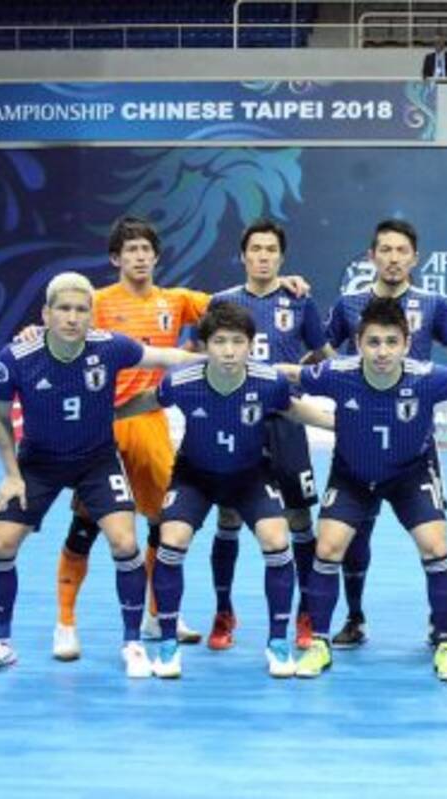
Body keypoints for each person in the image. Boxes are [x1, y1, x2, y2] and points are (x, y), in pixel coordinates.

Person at [48, 216, 311, 659]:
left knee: (160, 523)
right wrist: (35, 331)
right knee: (87, 523)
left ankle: (157, 615)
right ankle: (65, 623)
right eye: (130, 250)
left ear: (156, 257)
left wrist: (277, 282)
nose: (139, 258)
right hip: (104, 422)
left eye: (146, 250)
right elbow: (60, 323)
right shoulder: (95, 302)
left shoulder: (178, 300)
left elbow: (238, 304)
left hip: (150, 423)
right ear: (115, 258)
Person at [0, 272, 202, 678]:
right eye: (64, 309)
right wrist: (11, 476)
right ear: (46, 314)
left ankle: (132, 644)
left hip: (97, 460)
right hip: (38, 463)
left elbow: (169, 358)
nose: (72, 317)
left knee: (124, 541)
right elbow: (1, 420)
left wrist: (221, 359)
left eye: (81, 310)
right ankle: (1, 644)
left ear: (92, 316)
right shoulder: (15, 358)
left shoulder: (110, 347)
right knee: (1, 544)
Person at [286, 297, 447, 681]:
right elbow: (289, 374)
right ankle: (319, 644)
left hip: (411, 475)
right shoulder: (336, 373)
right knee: (327, 548)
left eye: (391, 342)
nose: (382, 351)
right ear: (358, 343)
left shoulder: (427, 376)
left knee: (436, 548)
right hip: (352, 476)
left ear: (407, 344)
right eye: (374, 342)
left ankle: (445, 644)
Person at [117, 302, 336, 679]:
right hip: (195, 477)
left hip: (250, 476)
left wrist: (342, 424)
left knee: (277, 539)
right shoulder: (181, 382)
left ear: (250, 345)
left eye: (237, 342)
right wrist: (106, 415)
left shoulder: (269, 381)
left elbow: (296, 410)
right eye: (220, 342)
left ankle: (277, 643)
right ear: (205, 346)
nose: (229, 351)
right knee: (172, 540)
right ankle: (168, 645)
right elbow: (146, 400)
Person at [324, 218, 447, 648]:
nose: (393, 258)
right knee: (352, 537)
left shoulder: (433, 304)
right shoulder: (349, 304)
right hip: (358, 442)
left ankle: (441, 628)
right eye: (385, 250)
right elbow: (323, 347)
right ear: (371, 256)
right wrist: (344, 383)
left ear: (415, 258)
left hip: (414, 444)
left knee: (433, 541)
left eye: (402, 251)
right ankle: (354, 618)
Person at [202, 219, 329, 653]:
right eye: (255, 249)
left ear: (281, 257)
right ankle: (223, 611)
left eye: (271, 250)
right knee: (228, 518)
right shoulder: (221, 303)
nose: (263, 256)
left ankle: (306, 613)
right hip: (234, 425)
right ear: (242, 256)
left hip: (285, 424)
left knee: (299, 520)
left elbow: (324, 355)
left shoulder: (299, 300)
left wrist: (303, 379)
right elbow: (202, 355)